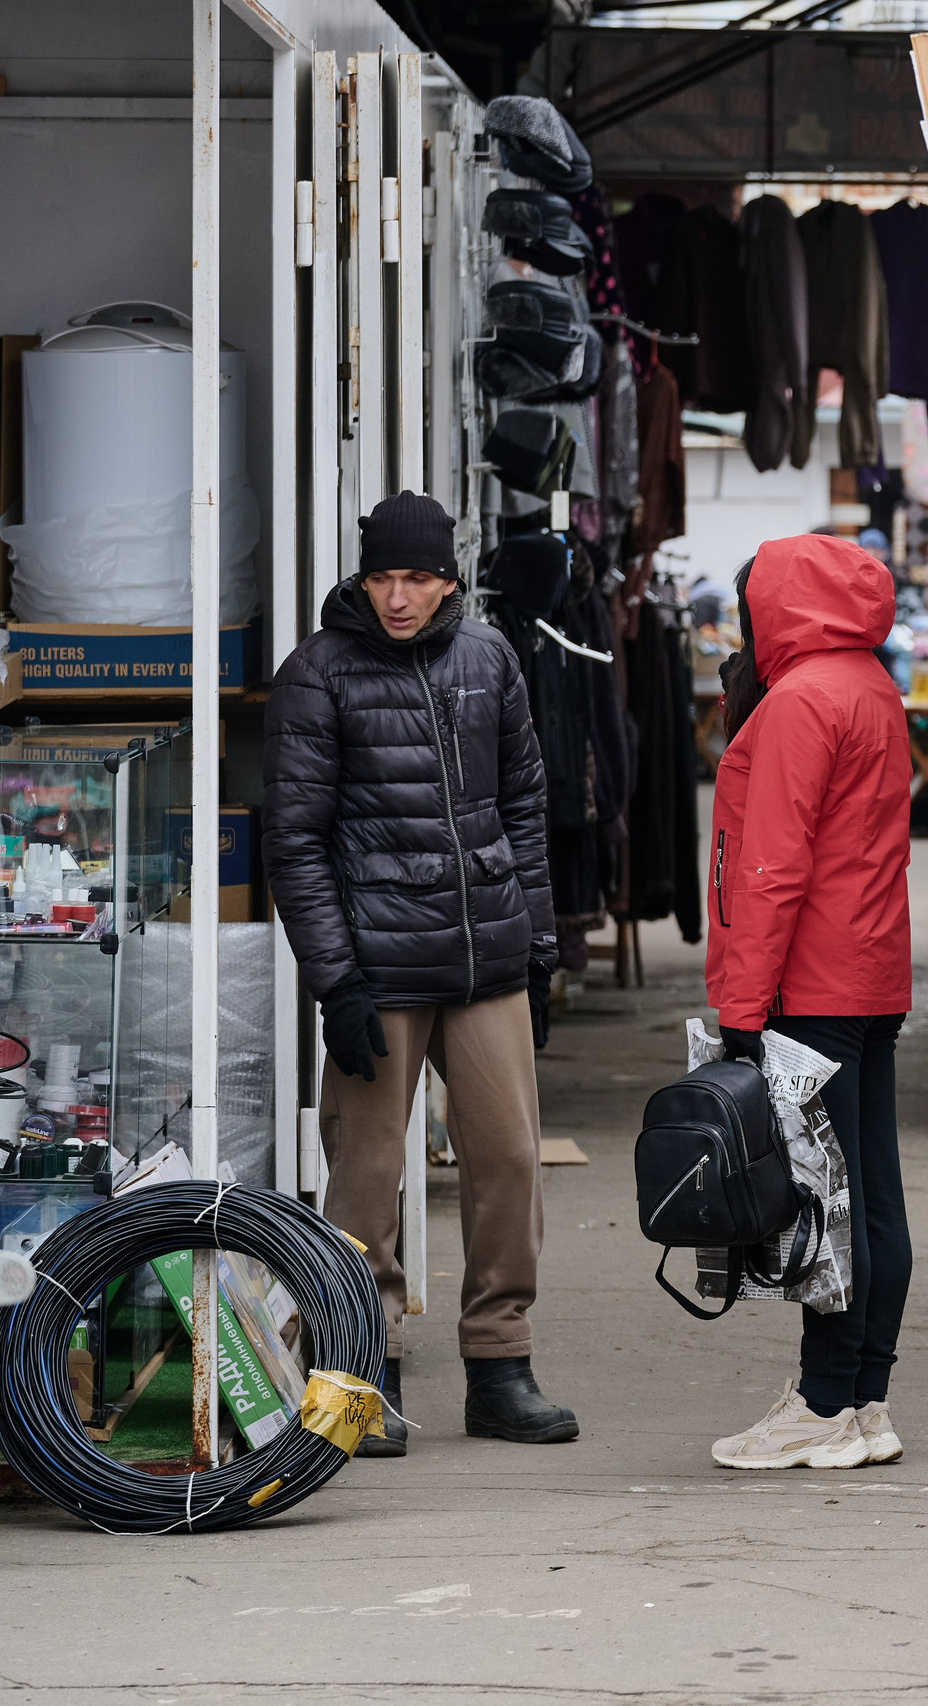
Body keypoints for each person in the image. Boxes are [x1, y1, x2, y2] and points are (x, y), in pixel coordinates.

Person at [265, 491, 578, 1455]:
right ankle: (365, 1370)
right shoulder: (317, 672)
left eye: (416, 577)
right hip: (378, 965)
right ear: (362, 579)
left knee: (510, 1160)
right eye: (381, 578)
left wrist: (538, 947)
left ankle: (501, 1365)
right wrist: (337, 983)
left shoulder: (489, 657)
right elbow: (295, 843)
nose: (397, 597)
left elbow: (524, 807)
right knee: (365, 1174)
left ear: (449, 578)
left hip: (486, 957)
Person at [702, 533, 914, 1471]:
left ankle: (823, 1403)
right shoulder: (870, 685)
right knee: (872, 1196)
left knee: (826, 1207)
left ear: (776, 605)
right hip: (870, 972)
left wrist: (741, 1005)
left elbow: (772, 865)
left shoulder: (800, 700)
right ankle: (866, 1402)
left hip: (811, 982)